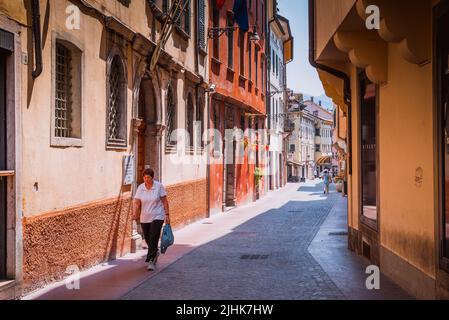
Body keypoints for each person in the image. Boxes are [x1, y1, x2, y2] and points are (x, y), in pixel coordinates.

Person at [133, 168, 170, 271]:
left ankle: (151, 261)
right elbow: (136, 201)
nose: (146, 179)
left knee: (153, 237)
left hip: (158, 215)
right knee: (149, 239)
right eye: (144, 177)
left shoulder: (159, 187)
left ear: (152, 178)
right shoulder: (141, 188)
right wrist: (135, 213)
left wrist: (167, 214)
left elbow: (165, 201)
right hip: (145, 217)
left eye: (148, 177)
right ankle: (154, 252)